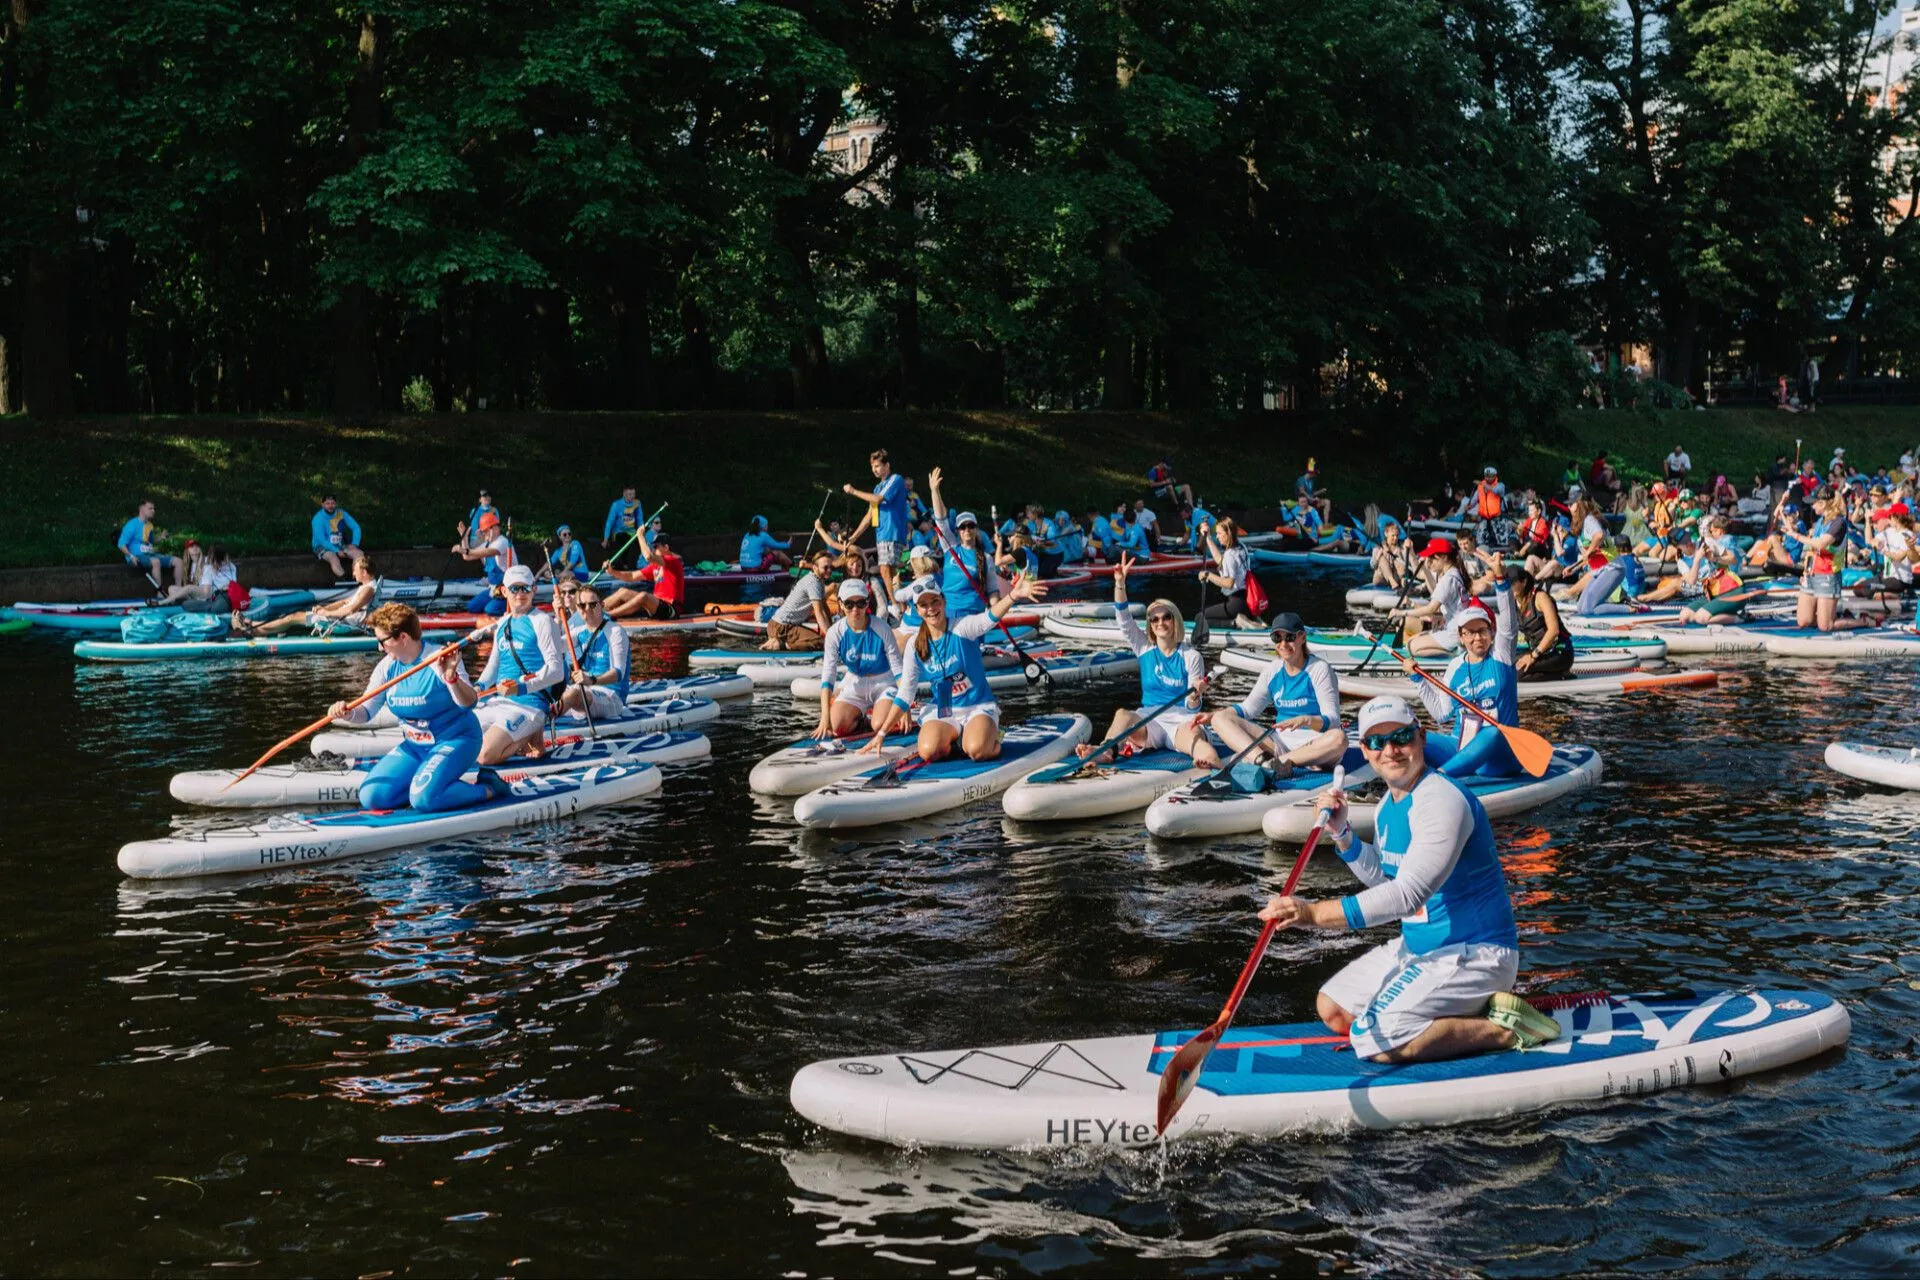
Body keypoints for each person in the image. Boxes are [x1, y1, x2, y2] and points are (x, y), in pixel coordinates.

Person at [1255, 694, 1561, 1064]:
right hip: (1420, 949)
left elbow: (1408, 896)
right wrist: (1343, 835)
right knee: (1332, 1008)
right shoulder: (1387, 806)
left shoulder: (1441, 800)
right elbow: (1386, 880)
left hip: (1476, 953)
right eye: (1377, 742)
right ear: (1365, 751)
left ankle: (1505, 1029)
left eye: (1400, 737)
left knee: (1372, 1040)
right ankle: (1439, 1015)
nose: (1391, 750)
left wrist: (1312, 914)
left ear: (1421, 739)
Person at [328, 603, 508, 812]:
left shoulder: (439, 659)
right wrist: (348, 713)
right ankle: (425, 788)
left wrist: (451, 679)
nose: (379, 648)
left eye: (382, 641)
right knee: (372, 796)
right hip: (415, 747)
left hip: (456, 740)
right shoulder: (386, 667)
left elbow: (469, 702)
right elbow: (366, 711)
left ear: (403, 637)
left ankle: (489, 789)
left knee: (424, 798)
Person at [867, 573, 1048, 764]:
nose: (931, 609)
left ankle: (992, 736)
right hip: (944, 710)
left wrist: (1013, 596)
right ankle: (956, 740)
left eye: (935, 601)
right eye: (924, 605)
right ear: (918, 610)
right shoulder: (915, 645)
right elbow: (905, 695)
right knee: (929, 751)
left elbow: (990, 617)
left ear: (944, 602)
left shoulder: (962, 627)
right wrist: (882, 733)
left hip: (977, 706)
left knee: (978, 751)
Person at [1078, 554, 1221, 767]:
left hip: (1179, 721)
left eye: (1166, 617)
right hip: (1148, 722)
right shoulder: (1144, 648)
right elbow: (1124, 620)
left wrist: (1195, 696)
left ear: (1175, 621)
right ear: (1150, 624)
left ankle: (1212, 766)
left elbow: (1192, 708)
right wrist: (1119, 584)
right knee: (1122, 715)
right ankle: (1105, 751)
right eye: (1154, 619)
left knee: (1200, 746)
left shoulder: (1191, 656)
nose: (1160, 622)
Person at [1202, 611, 1346, 777]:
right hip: (1279, 743)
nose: (1283, 644)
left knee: (1339, 738)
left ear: (1302, 638)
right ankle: (1264, 761)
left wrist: (1306, 720)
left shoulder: (1319, 669)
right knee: (1220, 718)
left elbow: (1333, 720)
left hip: (1315, 744)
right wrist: (1214, 714)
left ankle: (1279, 762)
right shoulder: (1273, 670)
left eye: (1290, 637)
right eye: (1277, 638)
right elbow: (1248, 710)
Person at [1398, 594, 1520, 779]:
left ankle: (1438, 778)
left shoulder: (1501, 656)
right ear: (1461, 637)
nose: (1477, 637)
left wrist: (1501, 581)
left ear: (1491, 632)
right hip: (1460, 745)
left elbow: (1509, 623)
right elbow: (1441, 714)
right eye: (1470, 633)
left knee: (1492, 732)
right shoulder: (1455, 667)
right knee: (1411, 736)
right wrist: (1418, 679)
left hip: (1498, 756)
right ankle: (1395, 779)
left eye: (1482, 630)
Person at [474, 564, 566, 763]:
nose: (520, 594)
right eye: (514, 589)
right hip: (498, 701)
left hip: (529, 705)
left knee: (484, 756)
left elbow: (557, 671)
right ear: (504, 591)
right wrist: (478, 687)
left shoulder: (542, 621)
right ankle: (528, 738)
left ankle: (530, 736)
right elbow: (493, 667)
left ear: (534, 590)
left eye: (525, 588)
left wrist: (521, 687)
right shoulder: (502, 624)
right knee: (456, 739)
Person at [814, 579, 906, 739]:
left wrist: (905, 707)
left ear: (867, 603)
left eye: (861, 603)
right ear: (840, 604)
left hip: (884, 683)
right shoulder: (835, 633)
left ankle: (877, 715)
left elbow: (898, 672)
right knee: (836, 727)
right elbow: (828, 676)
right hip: (855, 685)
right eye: (849, 604)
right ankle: (861, 718)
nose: (855, 609)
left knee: (880, 725)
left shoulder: (882, 628)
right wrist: (824, 718)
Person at [927, 468, 1005, 621]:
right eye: (963, 527)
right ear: (958, 531)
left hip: (973, 614)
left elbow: (993, 590)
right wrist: (935, 491)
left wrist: (995, 612)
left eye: (971, 526)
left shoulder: (986, 558)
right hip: (948, 613)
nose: (967, 530)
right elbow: (941, 521)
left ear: (976, 529)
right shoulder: (950, 548)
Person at [245, 556, 382, 637]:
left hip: (344, 622)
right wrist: (324, 608)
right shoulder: (365, 587)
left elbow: (350, 610)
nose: (353, 574)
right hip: (340, 618)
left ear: (364, 572)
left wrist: (327, 612)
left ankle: (253, 627)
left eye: (355, 570)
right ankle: (256, 629)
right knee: (293, 618)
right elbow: (343, 602)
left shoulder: (368, 589)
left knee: (293, 617)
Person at [553, 583, 631, 720]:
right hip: (587, 692)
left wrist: (591, 680)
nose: (587, 609)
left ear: (602, 605)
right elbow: (552, 647)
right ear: (577, 608)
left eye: (592, 605)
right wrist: (558, 618)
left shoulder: (615, 632)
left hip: (612, 696)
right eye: (582, 606)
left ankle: (545, 722)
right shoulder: (580, 632)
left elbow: (618, 673)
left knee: (575, 693)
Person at [842, 449, 910, 604]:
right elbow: (869, 516)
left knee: (885, 569)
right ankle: (901, 605)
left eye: (878, 466)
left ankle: (895, 605)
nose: (874, 470)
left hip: (892, 532)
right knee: (890, 572)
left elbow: (878, 499)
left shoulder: (896, 480)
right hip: (881, 534)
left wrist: (853, 491)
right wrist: (853, 538)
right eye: (873, 467)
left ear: (887, 465)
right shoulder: (877, 488)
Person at [1787, 488, 1860, 632]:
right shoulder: (1821, 521)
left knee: (1825, 626)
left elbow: (1820, 544)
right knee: (1803, 621)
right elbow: (1811, 550)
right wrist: (1805, 572)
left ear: (1823, 504)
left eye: (1814, 503)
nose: (1812, 507)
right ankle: (1833, 614)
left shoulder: (1839, 523)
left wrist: (1795, 535)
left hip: (1828, 575)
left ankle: (1863, 621)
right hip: (1812, 573)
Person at [1395, 537, 1472, 655]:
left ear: (1444, 557)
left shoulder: (1448, 579)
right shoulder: (1453, 573)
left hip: (1454, 632)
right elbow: (1433, 588)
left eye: (1432, 558)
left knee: (1411, 647)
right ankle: (1456, 648)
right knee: (1411, 640)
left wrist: (1401, 613)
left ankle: (1456, 655)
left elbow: (1431, 609)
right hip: (1454, 628)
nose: (1429, 561)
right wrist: (1410, 552)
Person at [1504, 566, 1574, 681]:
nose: (1508, 587)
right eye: (1506, 584)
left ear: (1524, 582)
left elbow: (1554, 631)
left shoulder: (1540, 597)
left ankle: (1561, 675)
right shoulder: (1514, 602)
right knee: (1506, 667)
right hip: (1541, 653)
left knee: (1516, 674)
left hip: (1559, 653)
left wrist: (1533, 656)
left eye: (1512, 583)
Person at [603, 525, 684, 620]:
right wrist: (612, 572)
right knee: (622, 592)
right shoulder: (655, 566)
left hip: (671, 609)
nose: (653, 549)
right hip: (656, 606)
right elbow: (632, 576)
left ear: (666, 547)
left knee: (644, 595)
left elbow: (648, 556)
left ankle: (608, 615)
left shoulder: (674, 561)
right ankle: (595, 609)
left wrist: (640, 536)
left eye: (656, 546)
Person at [764, 549, 835, 650]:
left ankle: (782, 640)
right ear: (815, 568)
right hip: (781, 627)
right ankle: (780, 644)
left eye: (831, 567)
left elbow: (825, 609)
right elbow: (819, 613)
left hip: (786, 625)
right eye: (825, 567)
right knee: (819, 642)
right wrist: (832, 638)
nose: (829, 570)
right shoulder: (813, 583)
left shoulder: (820, 581)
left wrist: (832, 630)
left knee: (825, 639)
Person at [452, 510, 516, 616]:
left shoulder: (502, 542)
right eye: (483, 532)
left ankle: (508, 608)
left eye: (486, 531)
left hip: (507, 589)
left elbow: (489, 552)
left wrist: (465, 550)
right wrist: (464, 538)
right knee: (472, 607)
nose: (484, 534)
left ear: (495, 528)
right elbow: (467, 556)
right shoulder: (487, 544)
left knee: (490, 610)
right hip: (495, 589)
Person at [1199, 517, 1261, 626]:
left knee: (1200, 617)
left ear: (1228, 533)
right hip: (1246, 601)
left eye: (1219, 533)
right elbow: (1220, 560)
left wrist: (1208, 575)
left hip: (1236, 603)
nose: (1217, 536)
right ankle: (1249, 620)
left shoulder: (1230, 554)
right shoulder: (1241, 547)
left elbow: (1229, 583)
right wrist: (1208, 538)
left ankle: (1236, 623)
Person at [117, 499, 185, 593]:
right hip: (136, 557)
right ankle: (160, 594)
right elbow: (121, 544)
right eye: (150, 508)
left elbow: (150, 542)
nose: (153, 511)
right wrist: (131, 556)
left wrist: (161, 537)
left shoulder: (150, 525)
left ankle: (179, 591)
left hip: (150, 555)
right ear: (141, 508)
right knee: (156, 561)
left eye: (154, 508)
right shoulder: (132, 524)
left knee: (179, 561)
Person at [311, 496, 364, 578]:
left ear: (336, 504)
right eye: (327, 503)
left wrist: (355, 543)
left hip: (339, 545)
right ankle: (344, 579)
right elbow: (321, 540)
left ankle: (357, 578)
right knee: (333, 558)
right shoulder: (318, 518)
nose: (330, 506)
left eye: (332, 503)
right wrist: (336, 550)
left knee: (359, 554)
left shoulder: (341, 513)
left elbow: (356, 527)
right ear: (323, 505)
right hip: (322, 547)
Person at [602, 486, 645, 564]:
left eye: (633, 494)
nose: (632, 497)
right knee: (625, 538)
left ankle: (646, 564)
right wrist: (606, 538)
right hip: (619, 532)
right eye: (629, 494)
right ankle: (623, 564)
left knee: (643, 542)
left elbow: (640, 519)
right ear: (624, 494)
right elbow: (609, 522)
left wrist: (642, 532)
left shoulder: (637, 503)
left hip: (633, 532)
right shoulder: (616, 505)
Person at [1295, 458, 1331, 523]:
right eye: (1315, 473)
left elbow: (1312, 493)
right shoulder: (1301, 480)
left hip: (1311, 502)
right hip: (1303, 503)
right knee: (1308, 502)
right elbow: (1303, 493)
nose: (1316, 475)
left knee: (1327, 502)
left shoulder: (1311, 481)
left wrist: (1321, 491)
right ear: (1311, 472)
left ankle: (1326, 524)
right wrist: (1313, 499)